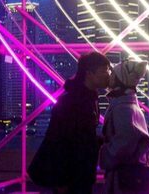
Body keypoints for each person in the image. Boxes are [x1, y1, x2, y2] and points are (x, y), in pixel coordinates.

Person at [27, 52, 111, 194]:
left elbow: (82, 136)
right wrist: (61, 181)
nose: (108, 75)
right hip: (71, 178)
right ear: (89, 73)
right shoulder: (72, 102)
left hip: (81, 174)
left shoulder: (90, 98)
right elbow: (58, 141)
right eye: (104, 71)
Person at [99, 59, 149, 194]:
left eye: (113, 74)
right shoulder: (128, 104)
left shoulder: (123, 107)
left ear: (120, 80)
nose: (109, 77)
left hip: (124, 179)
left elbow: (124, 142)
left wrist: (104, 155)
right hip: (131, 177)